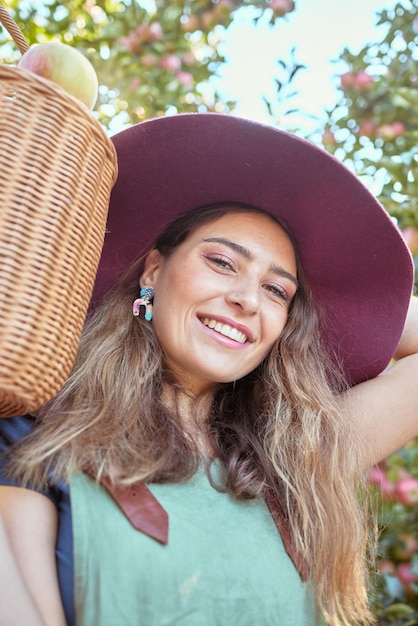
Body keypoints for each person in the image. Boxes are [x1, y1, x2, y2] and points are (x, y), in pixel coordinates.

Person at [0, 113, 417, 626]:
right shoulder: (36, 435)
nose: (245, 299)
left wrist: (358, 314)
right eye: (222, 262)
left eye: (276, 290)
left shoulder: (297, 457)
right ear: (153, 270)